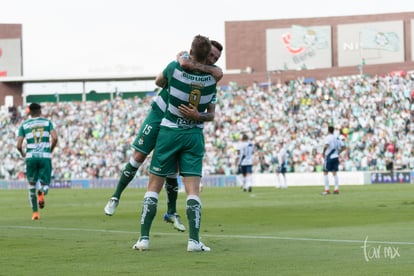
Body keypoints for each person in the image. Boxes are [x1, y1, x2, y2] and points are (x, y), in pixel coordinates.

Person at [104, 41, 223, 233]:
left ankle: (171, 212)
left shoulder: (209, 76)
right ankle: (116, 196)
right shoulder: (180, 63)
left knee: (173, 167)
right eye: (211, 55)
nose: (213, 60)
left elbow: (217, 80)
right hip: (160, 114)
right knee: (138, 157)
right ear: (204, 52)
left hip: (179, 124)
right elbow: (158, 80)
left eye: (216, 58)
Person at [132, 34, 216, 252]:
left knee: (153, 187)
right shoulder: (212, 80)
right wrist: (197, 115)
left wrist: (182, 60)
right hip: (193, 135)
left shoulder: (175, 69)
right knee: (193, 191)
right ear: (207, 56)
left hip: (169, 132)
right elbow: (211, 113)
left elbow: (159, 82)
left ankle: (144, 239)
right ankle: (194, 241)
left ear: (190, 50)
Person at [16, 103, 58, 220]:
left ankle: (35, 213)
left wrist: (23, 154)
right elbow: (55, 138)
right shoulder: (47, 122)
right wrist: (50, 150)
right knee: (45, 184)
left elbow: (18, 145)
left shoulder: (24, 125)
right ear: (40, 111)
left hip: (31, 157)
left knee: (31, 185)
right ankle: (42, 191)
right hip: (44, 156)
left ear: (29, 112)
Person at [321, 126, 345, 195]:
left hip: (329, 157)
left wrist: (323, 152)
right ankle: (336, 189)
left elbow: (326, 145)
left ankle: (327, 189)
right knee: (335, 173)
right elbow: (344, 147)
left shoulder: (328, 137)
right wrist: (338, 152)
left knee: (325, 172)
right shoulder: (337, 138)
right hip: (336, 157)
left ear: (328, 130)